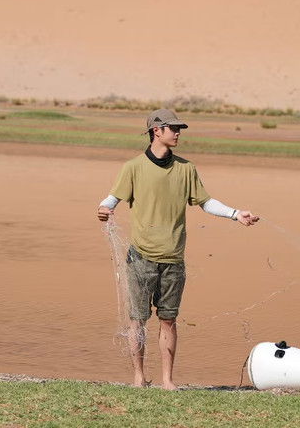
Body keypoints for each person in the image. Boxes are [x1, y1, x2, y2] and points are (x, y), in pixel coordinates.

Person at [97, 108, 259, 390]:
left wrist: (236, 214)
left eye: (178, 128)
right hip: (140, 258)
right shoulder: (133, 167)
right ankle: (138, 378)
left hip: (174, 260)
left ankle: (167, 380)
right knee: (137, 321)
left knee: (169, 321)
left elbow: (206, 202)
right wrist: (104, 209)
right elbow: (112, 199)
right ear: (156, 131)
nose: (178, 132)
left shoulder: (186, 169)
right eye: (172, 128)